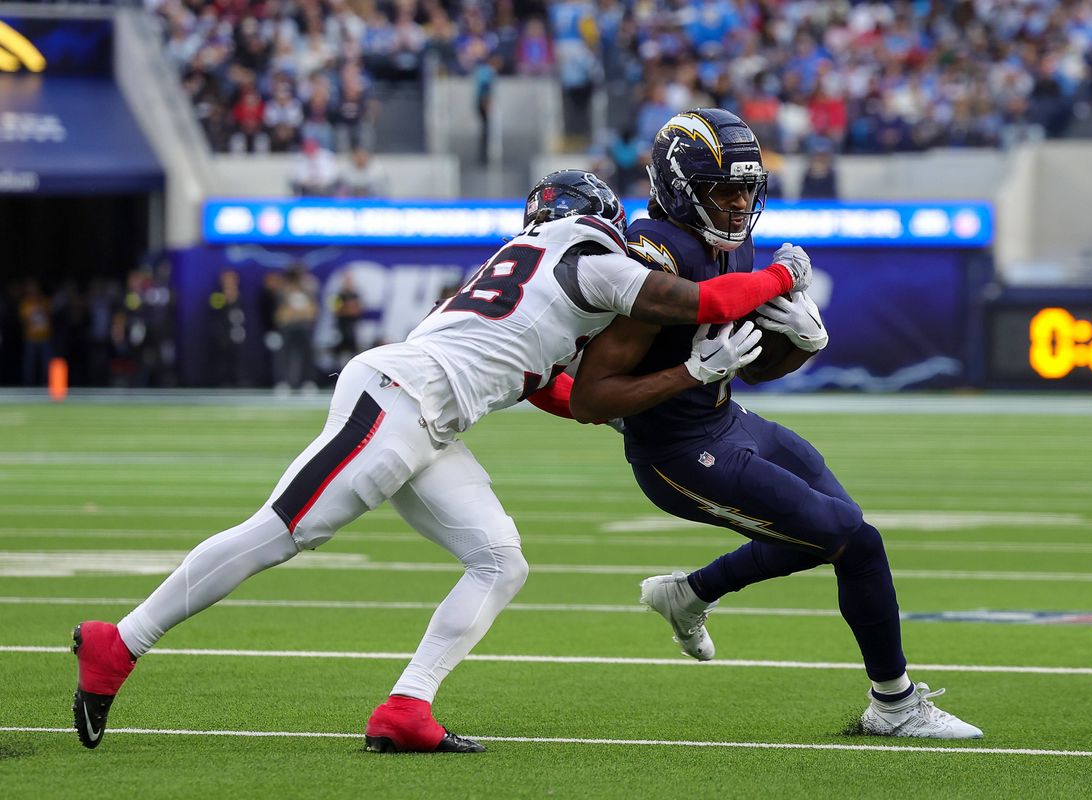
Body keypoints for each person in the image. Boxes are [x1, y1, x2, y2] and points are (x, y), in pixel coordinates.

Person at [71, 169, 810, 753]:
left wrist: (639, 400)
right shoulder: (594, 256)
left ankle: (406, 707)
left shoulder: (524, 266)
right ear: (604, 219)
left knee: (499, 559)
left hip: (424, 415)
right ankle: (120, 641)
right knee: (283, 530)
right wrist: (783, 278)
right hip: (402, 401)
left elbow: (546, 388)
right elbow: (708, 299)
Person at [569, 109, 983, 740]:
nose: (738, 206)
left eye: (746, 190)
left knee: (846, 535)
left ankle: (691, 593)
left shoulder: (732, 245)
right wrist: (691, 373)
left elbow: (753, 370)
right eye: (723, 191)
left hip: (729, 421)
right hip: (676, 455)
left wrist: (801, 343)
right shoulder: (655, 258)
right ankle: (894, 705)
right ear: (681, 187)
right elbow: (593, 399)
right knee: (849, 538)